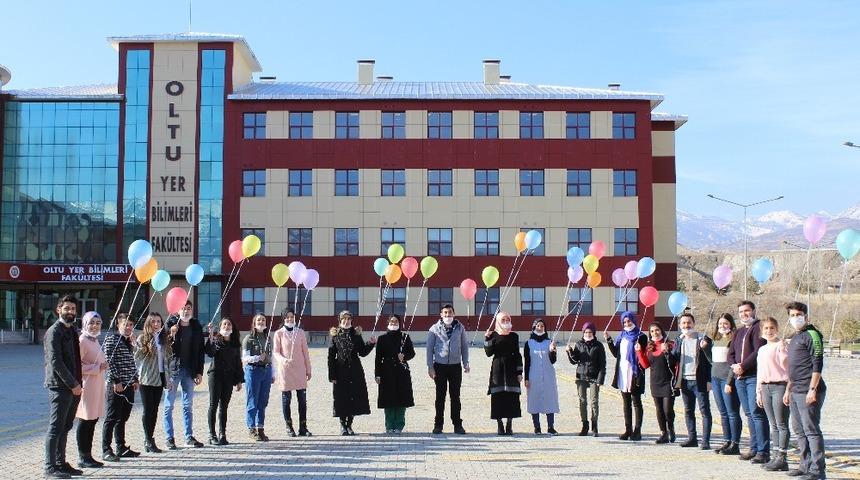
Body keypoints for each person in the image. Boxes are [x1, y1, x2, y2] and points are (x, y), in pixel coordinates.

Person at [784, 302, 827, 480]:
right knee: (799, 431)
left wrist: (812, 389)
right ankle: (805, 465)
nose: (796, 318)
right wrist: (788, 389)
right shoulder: (795, 336)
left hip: (809, 391)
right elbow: (793, 368)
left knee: (811, 430)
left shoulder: (812, 334)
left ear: (805, 315)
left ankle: (818, 470)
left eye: (798, 314)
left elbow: (817, 364)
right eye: (792, 315)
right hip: (795, 390)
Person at [44, 295, 83, 479]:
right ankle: (49, 467)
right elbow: (55, 362)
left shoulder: (73, 330)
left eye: (73, 309)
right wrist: (73, 384)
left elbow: (76, 360)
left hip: (74, 387)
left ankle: (61, 463)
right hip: (60, 386)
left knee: (66, 426)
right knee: (55, 427)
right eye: (66, 308)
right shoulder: (54, 331)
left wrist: (78, 384)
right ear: (58, 309)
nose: (70, 312)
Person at [727, 300, 770, 463]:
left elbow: (758, 351)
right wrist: (734, 366)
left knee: (757, 414)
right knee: (749, 414)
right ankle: (753, 448)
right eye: (741, 312)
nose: (744, 314)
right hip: (740, 378)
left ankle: (763, 451)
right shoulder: (738, 332)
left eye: (746, 311)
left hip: (753, 377)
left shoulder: (758, 328)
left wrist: (743, 366)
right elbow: (730, 353)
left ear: (753, 311)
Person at [164, 301, 205, 449]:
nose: (186, 311)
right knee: (169, 406)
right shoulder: (171, 326)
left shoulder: (196, 328)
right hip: (173, 371)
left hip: (190, 371)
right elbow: (164, 348)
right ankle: (169, 438)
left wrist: (199, 371)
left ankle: (188, 436)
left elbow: (200, 351)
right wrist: (171, 334)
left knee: (188, 405)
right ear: (178, 310)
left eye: (188, 308)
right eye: (183, 308)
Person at [328, 310, 376, 435]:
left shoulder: (356, 334)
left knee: (353, 397)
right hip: (340, 372)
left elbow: (362, 352)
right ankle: (342, 425)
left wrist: (371, 344)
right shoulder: (335, 335)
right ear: (340, 320)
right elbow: (331, 357)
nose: (346, 321)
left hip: (355, 371)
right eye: (344, 318)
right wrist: (332, 375)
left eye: (349, 318)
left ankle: (349, 425)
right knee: (341, 398)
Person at [426, 304, 470, 434]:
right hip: (439, 367)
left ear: (454, 314)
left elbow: (464, 347)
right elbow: (429, 349)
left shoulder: (460, 328)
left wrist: (465, 362)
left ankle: (457, 424)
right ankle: (438, 425)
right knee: (440, 397)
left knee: (455, 396)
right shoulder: (434, 329)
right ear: (441, 314)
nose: (447, 315)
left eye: (450, 313)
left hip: (455, 367)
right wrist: (430, 367)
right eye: (445, 313)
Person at [604, 311, 648, 441]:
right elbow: (616, 353)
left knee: (636, 402)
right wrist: (609, 340)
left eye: (629, 321)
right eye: (624, 322)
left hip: (635, 372)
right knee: (626, 403)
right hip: (623, 372)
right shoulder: (622, 336)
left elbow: (644, 358)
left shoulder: (642, 337)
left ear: (634, 320)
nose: (627, 323)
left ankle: (637, 430)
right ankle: (628, 429)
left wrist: (639, 349)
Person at [102, 313, 139, 462]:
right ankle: (106, 449)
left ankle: (121, 447)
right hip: (116, 385)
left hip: (129, 385)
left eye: (131, 325)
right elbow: (109, 362)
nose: (129, 327)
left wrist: (135, 379)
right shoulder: (112, 340)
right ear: (118, 325)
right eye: (125, 324)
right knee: (111, 417)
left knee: (123, 417)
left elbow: (131, 362)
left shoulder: (128, 341)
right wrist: (116, 381)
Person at [673, 313, 713, 450]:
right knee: (688, 410)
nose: (686, 325)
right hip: (684, 381)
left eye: (689, 322)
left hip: (699, 381)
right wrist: (667, 352)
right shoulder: (679, 340)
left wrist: (709, 380)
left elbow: (709, 361)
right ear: (680, 325)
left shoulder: (703, 339)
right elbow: (674, 358)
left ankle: (706, 441)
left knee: (704, 410)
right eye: (683, 323)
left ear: (694, 323)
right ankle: (692, 438)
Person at [756, 317, 790, 472]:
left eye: (772, 328)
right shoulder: (762, 349)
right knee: (773, 424)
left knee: (781, 423)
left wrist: (789, 389)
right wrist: (758, 392)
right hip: (765, 387)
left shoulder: (780, 345)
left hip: (780, 386)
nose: (769, 331)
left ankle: (782, 457)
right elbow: (760, 372)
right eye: (766, 329)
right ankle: (775, 455)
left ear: (777, 329)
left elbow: (788, 368)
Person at [134, 312, 171, 454]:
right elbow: (137, 356)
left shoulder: (164, 338)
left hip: (160, 377)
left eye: (158, 321)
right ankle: (148, 439)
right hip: (147, 378)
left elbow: (168, 358)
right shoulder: (142, 338)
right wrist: (146, 344)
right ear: (148, 324)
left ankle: (151, 438)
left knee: (155, 410)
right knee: (148, 410)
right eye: (153, 322)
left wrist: (169, 379)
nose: (156, 324)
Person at [635, 322, 677, 444]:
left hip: (668, 382)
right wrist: (639, 352)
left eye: (657, 330)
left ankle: (671, 428)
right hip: (655, 382)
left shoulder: (670, 344)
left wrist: (667, 352)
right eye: (652, 331)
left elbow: (675, 362)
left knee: (667, 409)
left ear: (661, 331)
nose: (655, 333)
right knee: (659, 409)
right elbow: (645, 365)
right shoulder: (649, 347)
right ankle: (663, 433)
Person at [273, 309, 313, 437]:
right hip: (285, 370)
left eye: (292, 317)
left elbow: (305, 352)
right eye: (287, 317)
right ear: (283, 319)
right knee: (287, 399)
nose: (290, 319)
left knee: (302, 399)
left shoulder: (300, 332)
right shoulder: (279, 333)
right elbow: (276, 352)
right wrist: (283, 360)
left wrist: (308, 369)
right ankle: (289, 426)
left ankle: (303, 427)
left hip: (300, 369)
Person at [75, 312, 106, 470]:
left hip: (97, 386)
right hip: (87, 386)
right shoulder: (82, 341)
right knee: (85, 420)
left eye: (98, 323)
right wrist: (96, 368)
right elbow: (76, 366)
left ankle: (88, 455)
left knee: (92, 420)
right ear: (84, 324)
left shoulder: (94, 341)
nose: (94, 326)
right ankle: (82, 456)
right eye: (91, 323)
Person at [204, 318, 243, 445]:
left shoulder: (235, 344)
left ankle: (222, 434)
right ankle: (212, 434)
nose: (227, 326)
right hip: (215, 376)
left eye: (229, 324)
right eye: (224, 324)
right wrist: (210, 335)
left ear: (232, 328)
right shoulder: (216, 341)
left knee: (224, 407)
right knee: (213, 405)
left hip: (229, 377)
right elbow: (210, 352)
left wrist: (239, 380)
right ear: (220, 327)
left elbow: (238, 363)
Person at [375, 314, 416, 433]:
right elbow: (378, 358)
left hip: (401, 371)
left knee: (401, 398)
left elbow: (412, 353)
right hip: (386, 371)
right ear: (388, 323)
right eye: (391, 322)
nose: (394, 324)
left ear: (399, 323)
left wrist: (404, 357)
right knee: (388, 399)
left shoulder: (405, 337)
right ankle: (389, 425)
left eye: (396, 322)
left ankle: (399, 425)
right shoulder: (382, 338)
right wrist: (377, 374)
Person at [484, 311, 523, 435]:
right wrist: (487, 338)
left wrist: (519, 371)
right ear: (498, 321)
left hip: (511, 367)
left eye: (507, 319)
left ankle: (509, 424)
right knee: (498, 397)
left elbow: (517, 354)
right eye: (503, 320)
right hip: (498, 367)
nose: (506, 322)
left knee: (511, 397)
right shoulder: (493, 335)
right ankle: (499, 424)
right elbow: (488, 353)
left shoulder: (514, 336)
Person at [566, 322, 606, 437]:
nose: (588, 334)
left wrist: (600, 379)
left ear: (593, 332)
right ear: (583, 332)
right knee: (582, 401)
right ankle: (584, 425)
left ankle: (594, 425)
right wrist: (569, 352)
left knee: (594, 401)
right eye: (586, 332)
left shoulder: (598, 345)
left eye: (590, 332)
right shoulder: (579, 344)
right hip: (581, 376)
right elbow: (574, 361)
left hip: (594, 376)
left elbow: (602, 364)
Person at [711, 313, 742, 455]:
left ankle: (735, 444)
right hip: (715, 379)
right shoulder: (716, 339)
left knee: (732, 412)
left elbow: (734, 362)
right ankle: (727, 441)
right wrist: (705, 348)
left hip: (727, 379)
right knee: (723, 413)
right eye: (720, 324)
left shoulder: (734, 339)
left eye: (725, 323)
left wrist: (730, 381)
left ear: (731, 324)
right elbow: (712, 361)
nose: (722, 326)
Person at [523, 318, 559, 435]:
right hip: (534, 375)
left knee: (549, 399)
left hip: (548, 375)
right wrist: (526, 378)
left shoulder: (549, 342)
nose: (540, 328)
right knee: (534, 400)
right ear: (534, 327)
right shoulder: (528, 343)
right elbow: (527, 362)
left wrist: (553, 351)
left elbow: (553, 360)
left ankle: (550, 426)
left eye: (542, 326)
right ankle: (537, 427)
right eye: (538, 326)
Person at [242, 314, 274, 442]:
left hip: (266, 371)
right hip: (253, 371)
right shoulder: (248, 339)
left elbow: (272, 356)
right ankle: (251, 428)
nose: (261, 322)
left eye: (263, 320)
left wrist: (273, 373)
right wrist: (256, 358)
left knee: (263, 401)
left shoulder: (267, 337)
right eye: (259, 320)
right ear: (254, 323)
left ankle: (261, 428)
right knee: (252, 401)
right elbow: (244, 358)